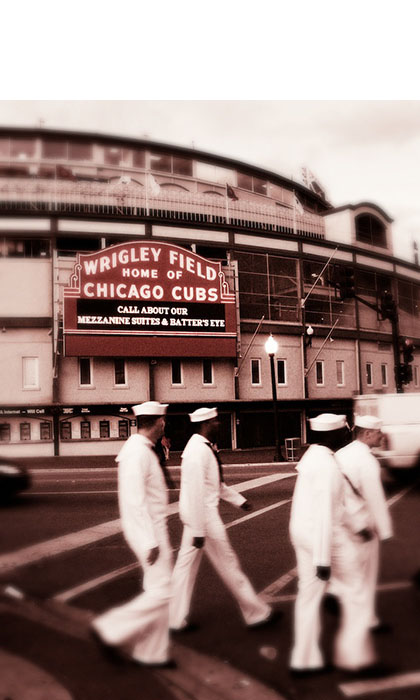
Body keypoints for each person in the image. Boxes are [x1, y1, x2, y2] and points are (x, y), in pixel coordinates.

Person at [169, 407, 276, 632]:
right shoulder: (198, 452)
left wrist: (239, 501)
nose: (219, 425)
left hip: (197, 517)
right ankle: (256, 614)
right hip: (203, 519)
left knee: (184, 569)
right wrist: (199, 530)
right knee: (228, 565)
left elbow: (215, 485)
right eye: (216, 422)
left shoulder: (201, 448)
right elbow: (195, 492)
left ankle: (175, 619)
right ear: (205, 425)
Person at [289, 413, 376, 676]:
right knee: (356, 590)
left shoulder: (314, 456)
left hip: (303, 533)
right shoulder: (327, 466)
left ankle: (304, 661)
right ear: (332, 435)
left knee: (308, 596)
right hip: (322, 537)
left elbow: (336, 503)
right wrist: (323, 560)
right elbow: (327, 511)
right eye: (344, 430)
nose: (347, 434)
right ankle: (356, 659)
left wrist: (356, 526)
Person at [91, 401, 175, 668]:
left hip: (153, 528)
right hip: (148, 531)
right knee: (162, 592)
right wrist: (148, 541)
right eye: (164, 420)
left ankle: (151, 652)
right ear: (158, 422)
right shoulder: (136, 453)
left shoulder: (144, 450)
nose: (165, 424)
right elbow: (133, 501)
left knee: (159, 589)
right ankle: (109, 628)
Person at [335, 415, 393, 631]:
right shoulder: (367, 460)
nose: (382, 436)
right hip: (363, 524)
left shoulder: (341, 454)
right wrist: (385, 531)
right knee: (366, 575)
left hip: (342, 521)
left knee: (349, 571)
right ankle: (367, 621)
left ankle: (337, 594)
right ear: (367, 434)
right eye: (378, 432)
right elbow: (375, 499)